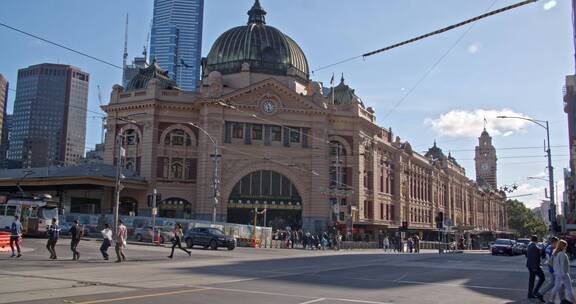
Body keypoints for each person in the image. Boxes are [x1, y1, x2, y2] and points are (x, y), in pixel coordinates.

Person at [549, 239, 576, 304]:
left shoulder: (555, 253)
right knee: (569, 288)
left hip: (557, 273)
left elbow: (551, 264)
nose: (566, 246)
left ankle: (551, 300)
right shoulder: (562, 254)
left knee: (556, 287)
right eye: (565, 245)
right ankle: (573, 301)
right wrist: (563, 274)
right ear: (563, 246)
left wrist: (556, 271)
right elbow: (562, 265)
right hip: (564, 274)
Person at [539, 237, 565, 303]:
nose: (557, 244)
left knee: (553, 283)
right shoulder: (551, 249)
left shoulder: (549, 248)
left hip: (552, 269)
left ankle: (540, 293)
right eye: (557, 242)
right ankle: (561, 300)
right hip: (555, 269)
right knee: (559, 284)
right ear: (554, 242)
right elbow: (550, 260)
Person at [526, 235, 545, 301]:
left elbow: (527, 256)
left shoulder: (529, 245)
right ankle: (535, 292)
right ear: (536, 240)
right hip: (534, 266)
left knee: (532, 280)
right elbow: (534, 258)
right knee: (542, 278)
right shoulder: (534, 247)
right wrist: (534, 267)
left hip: (530, 265)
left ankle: (530, 294)